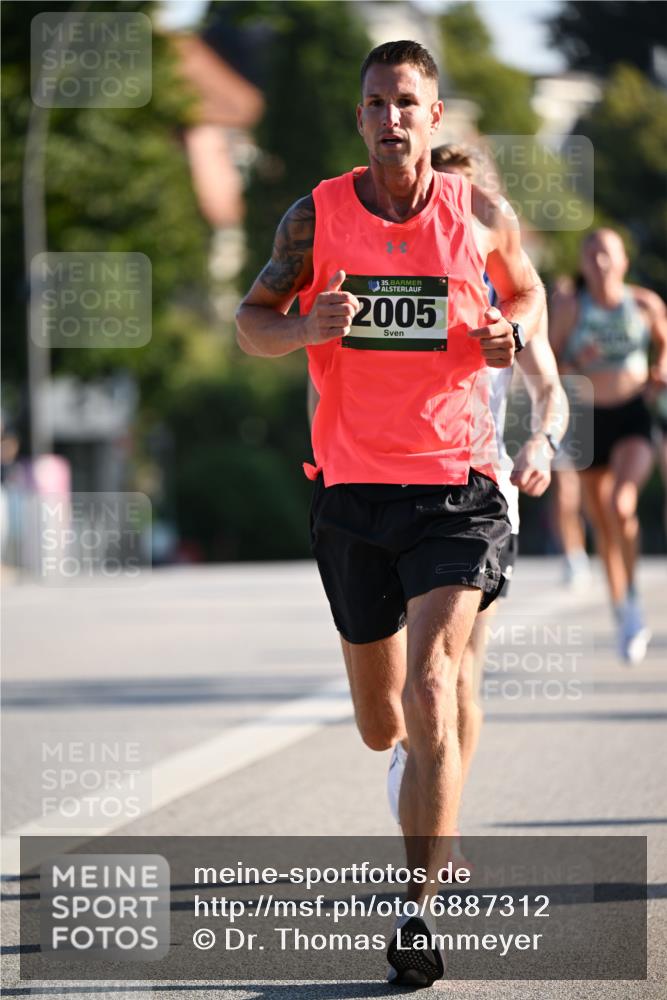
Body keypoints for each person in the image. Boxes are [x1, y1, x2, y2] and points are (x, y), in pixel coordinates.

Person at [236, 40, 546, 987]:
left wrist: (512, 332)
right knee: (383, 724)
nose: (391, 118)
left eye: (407, 102)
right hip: (352, 491)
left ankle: (417, 916)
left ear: (434, 115)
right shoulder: (315, 217)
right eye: (375, 103)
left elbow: (527, 293)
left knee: (433, 687)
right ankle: (412, 776)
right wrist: (304, 328)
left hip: (456, 485)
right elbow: (251, 323)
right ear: (360, 117)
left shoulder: (477, 212)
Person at [383, 144, 567, 858]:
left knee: (454, 670)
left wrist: (540, 446)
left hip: (478, 496)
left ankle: (441, 827)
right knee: (402, 678)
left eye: (462, 197)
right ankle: (417, 759)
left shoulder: (506, 292)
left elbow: (548, 390)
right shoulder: (402, 276)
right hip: (390, 488)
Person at [550, 228, 667, 663]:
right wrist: (578, 361)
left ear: (623, 261)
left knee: (622, 505)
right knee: (602, 523)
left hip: (633, 413)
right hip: (587, 419)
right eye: (591, 256)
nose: (599, 264)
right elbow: (551, 361)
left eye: (607, 255)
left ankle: (634, 599)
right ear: (582, 263)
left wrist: (659, 370)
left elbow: (664, 345)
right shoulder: (570, 307)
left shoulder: (644, 304)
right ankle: (622, 606)